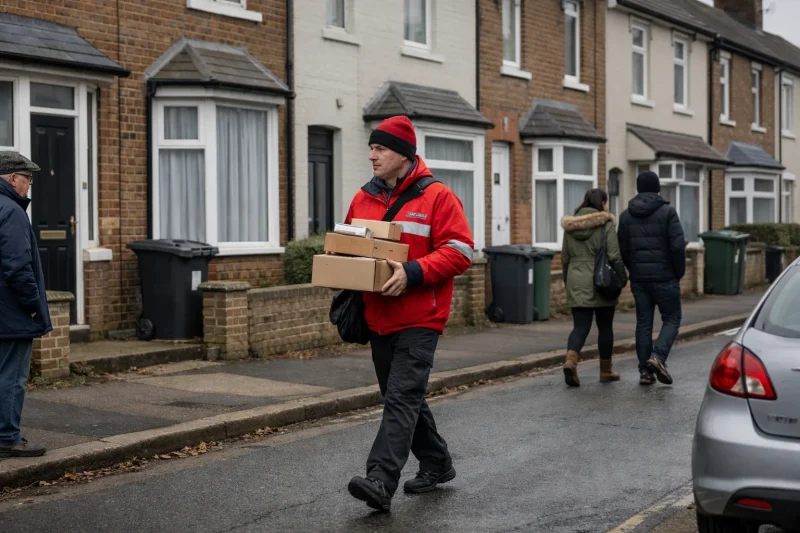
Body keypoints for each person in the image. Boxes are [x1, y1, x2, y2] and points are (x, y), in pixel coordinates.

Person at [343, 115, 474, 512]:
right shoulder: (363, 198)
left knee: (400, 398)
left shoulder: (437, 197)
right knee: (403, 396)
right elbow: (347, 246)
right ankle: (436, 461)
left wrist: (413, 272)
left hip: (421, 318)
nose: (372, 155)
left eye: (380, 148)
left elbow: (461, 251)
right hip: (378, 317)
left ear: (402, 153)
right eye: (372, 148)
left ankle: (381, 480)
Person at [0, 151, 51, 458]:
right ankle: (7, 437)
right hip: (12, 312)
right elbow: (18, 267)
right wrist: (33, 305)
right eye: (27, 178)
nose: (30, 185)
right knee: (13, 375)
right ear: (12, 178)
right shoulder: (12, 212)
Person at [618, 171, 686, 386]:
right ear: (657, 188)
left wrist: (634, 270)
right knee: (672, 318)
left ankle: (645, 372)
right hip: (665, 277)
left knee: (644, 323)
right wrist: (678, 272)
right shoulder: (668, 213)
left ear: (638, 188)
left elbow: (624, 249)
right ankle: (657, 358)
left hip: (640, 279)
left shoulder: (626, 216)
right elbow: (677, 247)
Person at [560, 188, 628, 387]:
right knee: (605, 327)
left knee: (580, 326)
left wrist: (568, 282)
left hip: (576, 279)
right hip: (602, 280)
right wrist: (622, 278)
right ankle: (605, 371)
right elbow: (614, 256)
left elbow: (565, 258)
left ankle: (570, 362)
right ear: (603, 204)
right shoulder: (605, 225)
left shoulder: (570, 226)